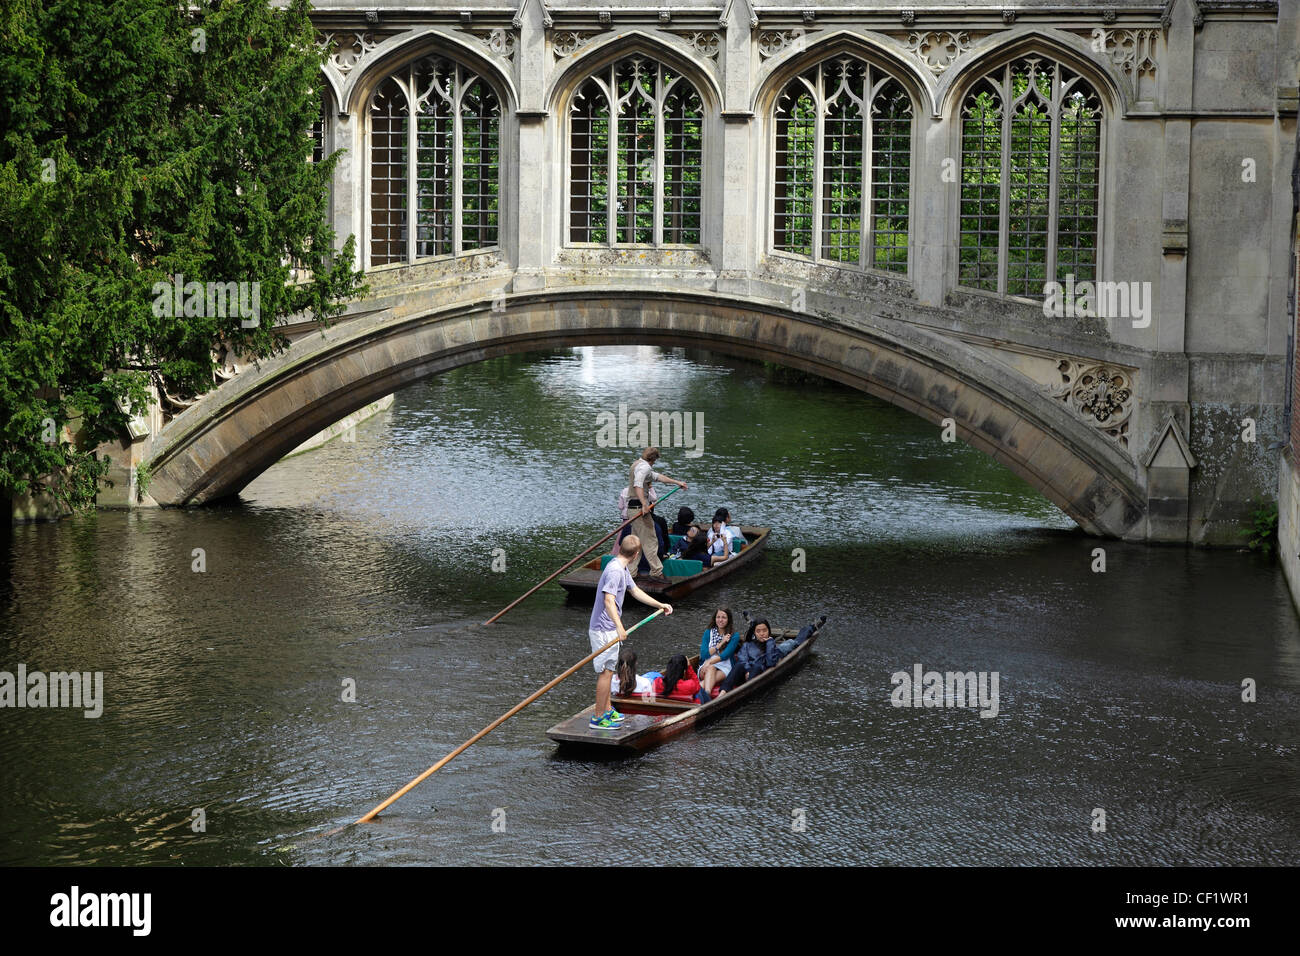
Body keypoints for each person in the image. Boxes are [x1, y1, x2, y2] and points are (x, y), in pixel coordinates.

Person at [588, 534, 674, 729]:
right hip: (603, 630)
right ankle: (598, 717)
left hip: (609, 628)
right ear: (636, 554)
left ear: (620, 549)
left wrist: (659, 604)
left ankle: (608, 709)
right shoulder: (615, 571)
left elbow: (635, 591)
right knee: (605, 672)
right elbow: (609, 600)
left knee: (609, 671)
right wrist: (619, 626)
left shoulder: (621, 568)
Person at [623, 447, 687, 581]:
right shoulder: (644, 467)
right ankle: (656, 572)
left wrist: (677, 482)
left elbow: (658, 477)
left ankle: (631, 571)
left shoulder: (637, 464)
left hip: (633, 508)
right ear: (653, 459)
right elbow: (638, 485)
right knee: (651, 541)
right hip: (640, 509)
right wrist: (645, 504)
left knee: (637, 542)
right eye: (655, 461)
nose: (654, 463)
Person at [718, 618, 781, 694]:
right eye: (758, 631)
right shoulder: (748, 645)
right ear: (754, 633)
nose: (762, 633)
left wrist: (770, 642)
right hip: (744, 676)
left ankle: (746, 692)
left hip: (757, 676)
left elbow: (771, 663)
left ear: (769, 631)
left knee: (757, 666)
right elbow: (742, 658)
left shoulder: (772, 646)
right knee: (739, 665)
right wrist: (748, 670)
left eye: (765, 630)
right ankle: (722, 693)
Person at [696, 607, 739, 703]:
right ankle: (707, 696)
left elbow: (725, 655)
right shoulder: (708, 633)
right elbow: (704, 655)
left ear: (729, 620)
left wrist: (710, 661)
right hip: (706, 665)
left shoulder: (734, 635)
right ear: (714, 618)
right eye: (718, 617)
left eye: (724, 617)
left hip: (725, 666)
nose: (720, 620)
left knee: (710, 668)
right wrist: (720, 643)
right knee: (711, 668)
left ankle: (705, 694)